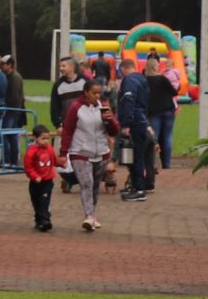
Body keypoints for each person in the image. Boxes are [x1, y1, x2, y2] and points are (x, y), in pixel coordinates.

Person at [59, 84, 115, 232]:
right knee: (87, 183)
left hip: (101, 152)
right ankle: (89, 216)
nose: (97, 96)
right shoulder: (76, 107)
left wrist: (110, 120)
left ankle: (92, 215)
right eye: (94, 93)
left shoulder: (103, 107)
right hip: (80, 151)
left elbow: (114, 130)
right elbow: (67, 130)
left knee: (95, 185)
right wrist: (63, 153)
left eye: (99, 93)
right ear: (86, 92)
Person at [115, 57, 155, 200]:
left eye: (121, 72)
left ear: (124, 68)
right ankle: (136, 185)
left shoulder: (129, 81)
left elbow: (129, 101)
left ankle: (139, 189)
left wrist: (126, 124)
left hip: (134, 122)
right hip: (141, 120)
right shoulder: (142, 79)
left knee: (135, 155)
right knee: (136, 155)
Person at [21, 125, 59, 233]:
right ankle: (39, 220)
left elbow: (54, 160)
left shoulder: (50, 149)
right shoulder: (31, 151)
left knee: (44, 200)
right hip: (36, 182)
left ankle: (45, 220)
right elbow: (28, 167)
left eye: (48, 138)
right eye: (43, 138)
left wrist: (61, 163)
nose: (46, 141)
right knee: (36, 201)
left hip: (47, 180)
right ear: (35, 138)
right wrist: (35, 176)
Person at [142, 60, 178, 171]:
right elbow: (174, 92)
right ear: (155, 67)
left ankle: (151, 163)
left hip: (154, 111)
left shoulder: (145, 80)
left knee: (154, 137)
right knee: (168, 136)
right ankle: (166, 163)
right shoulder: (162, 79)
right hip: (168, 109)